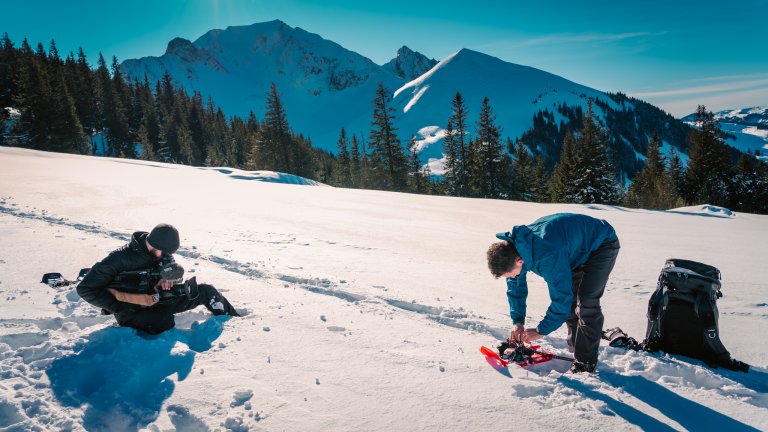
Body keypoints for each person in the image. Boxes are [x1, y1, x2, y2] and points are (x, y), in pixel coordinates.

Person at [487, 213, 620, 373]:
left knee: (586, 302)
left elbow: (561, 300)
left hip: (601, 244)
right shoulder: (516, 251)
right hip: (571, 251)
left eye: (512, 274)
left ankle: (586, 362)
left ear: (519, 261)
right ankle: (577, 346)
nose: (514, 277)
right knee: (571, 302)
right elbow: (516, 289)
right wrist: (518, 322)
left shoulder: (546, 255)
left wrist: (540, 331)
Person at [77, 223, 240, 334]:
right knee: (163, 320)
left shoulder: (163, 251)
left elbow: (174, 270)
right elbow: (85, 288)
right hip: (131, 309)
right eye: (166, 252)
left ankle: (235, 322)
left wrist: (170, 278)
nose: (167, 256)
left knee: (206, 291)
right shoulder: (118, 259)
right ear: (156, 246)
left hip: (160, 298)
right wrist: (119, 308)